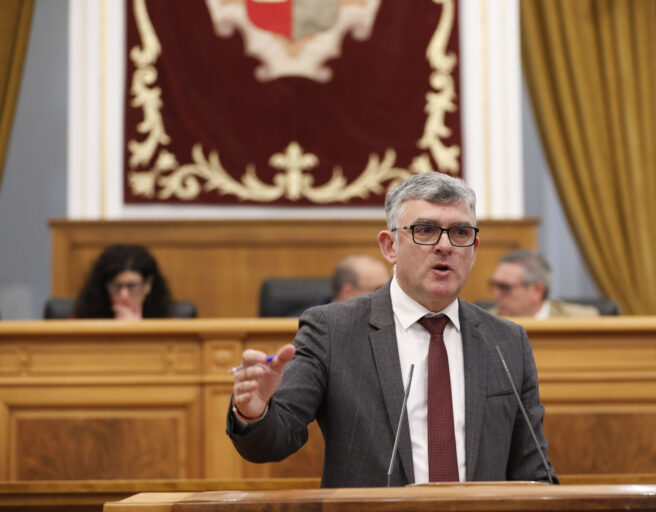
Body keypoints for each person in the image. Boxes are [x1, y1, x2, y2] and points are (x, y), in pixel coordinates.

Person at [227, 172, 555, 487]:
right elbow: (274, 441)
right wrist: (255, 412)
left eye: (460, 232)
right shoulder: (333, 330)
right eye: (425, 230)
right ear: (389, 246)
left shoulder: (506, 341)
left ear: (474, 249)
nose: (445, 246)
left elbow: (534, 472)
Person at [73, 244, 173, 320]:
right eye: (116, 286)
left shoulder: (166, 321)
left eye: (132, 286)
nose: (123, 294)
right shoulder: (83, 319)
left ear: (148, 284)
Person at [489, 249, 599, 318]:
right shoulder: (486, 323)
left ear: (537, 291)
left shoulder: (582, 320)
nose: (495, 294)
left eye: (505, 287)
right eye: (495, 285)